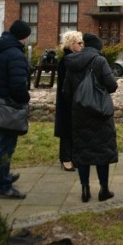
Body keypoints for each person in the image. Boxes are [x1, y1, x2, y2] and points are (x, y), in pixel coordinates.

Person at [63, 33, 118, 203]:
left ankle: (85, 189)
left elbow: (66, 91)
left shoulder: (71, 61)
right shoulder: (99, 61)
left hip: (79, 114)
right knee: (102, 151)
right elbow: (112, 86)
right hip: (100, 114)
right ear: (98, 48)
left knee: (83, 152)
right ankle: (104, 189)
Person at [0, 19, 32, 199]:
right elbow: (18, 85)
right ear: (22, 37)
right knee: (6, 148)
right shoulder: (15, 54)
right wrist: (25, 98)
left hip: (0, 102)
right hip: (10, 106)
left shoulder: (0, 50)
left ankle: (4, 176)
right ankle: (4, 186)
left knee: (1, 145)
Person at [54, 30, 83, 172]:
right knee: (66, 130)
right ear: (71, 44)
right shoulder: (67, 60)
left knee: (73, 130)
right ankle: (66, 159)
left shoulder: (72, 58)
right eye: (79, 43)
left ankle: (71, 157)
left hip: (73, 100)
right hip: (67, 101)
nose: (81, 45)